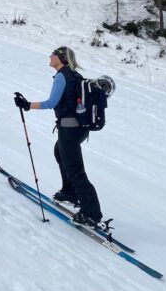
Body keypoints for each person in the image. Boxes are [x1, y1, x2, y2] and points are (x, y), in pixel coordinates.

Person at [14, 46, 104, 227]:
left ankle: (92, 213)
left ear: (61, 58)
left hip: (70, 128)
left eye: (52, 54)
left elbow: (51, 103)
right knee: (59, 153)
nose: (49, 56)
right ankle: (69, 192)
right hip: (78, 129)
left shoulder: (63, 75)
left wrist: (27, 104)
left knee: (75, 169)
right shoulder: (74, 75)